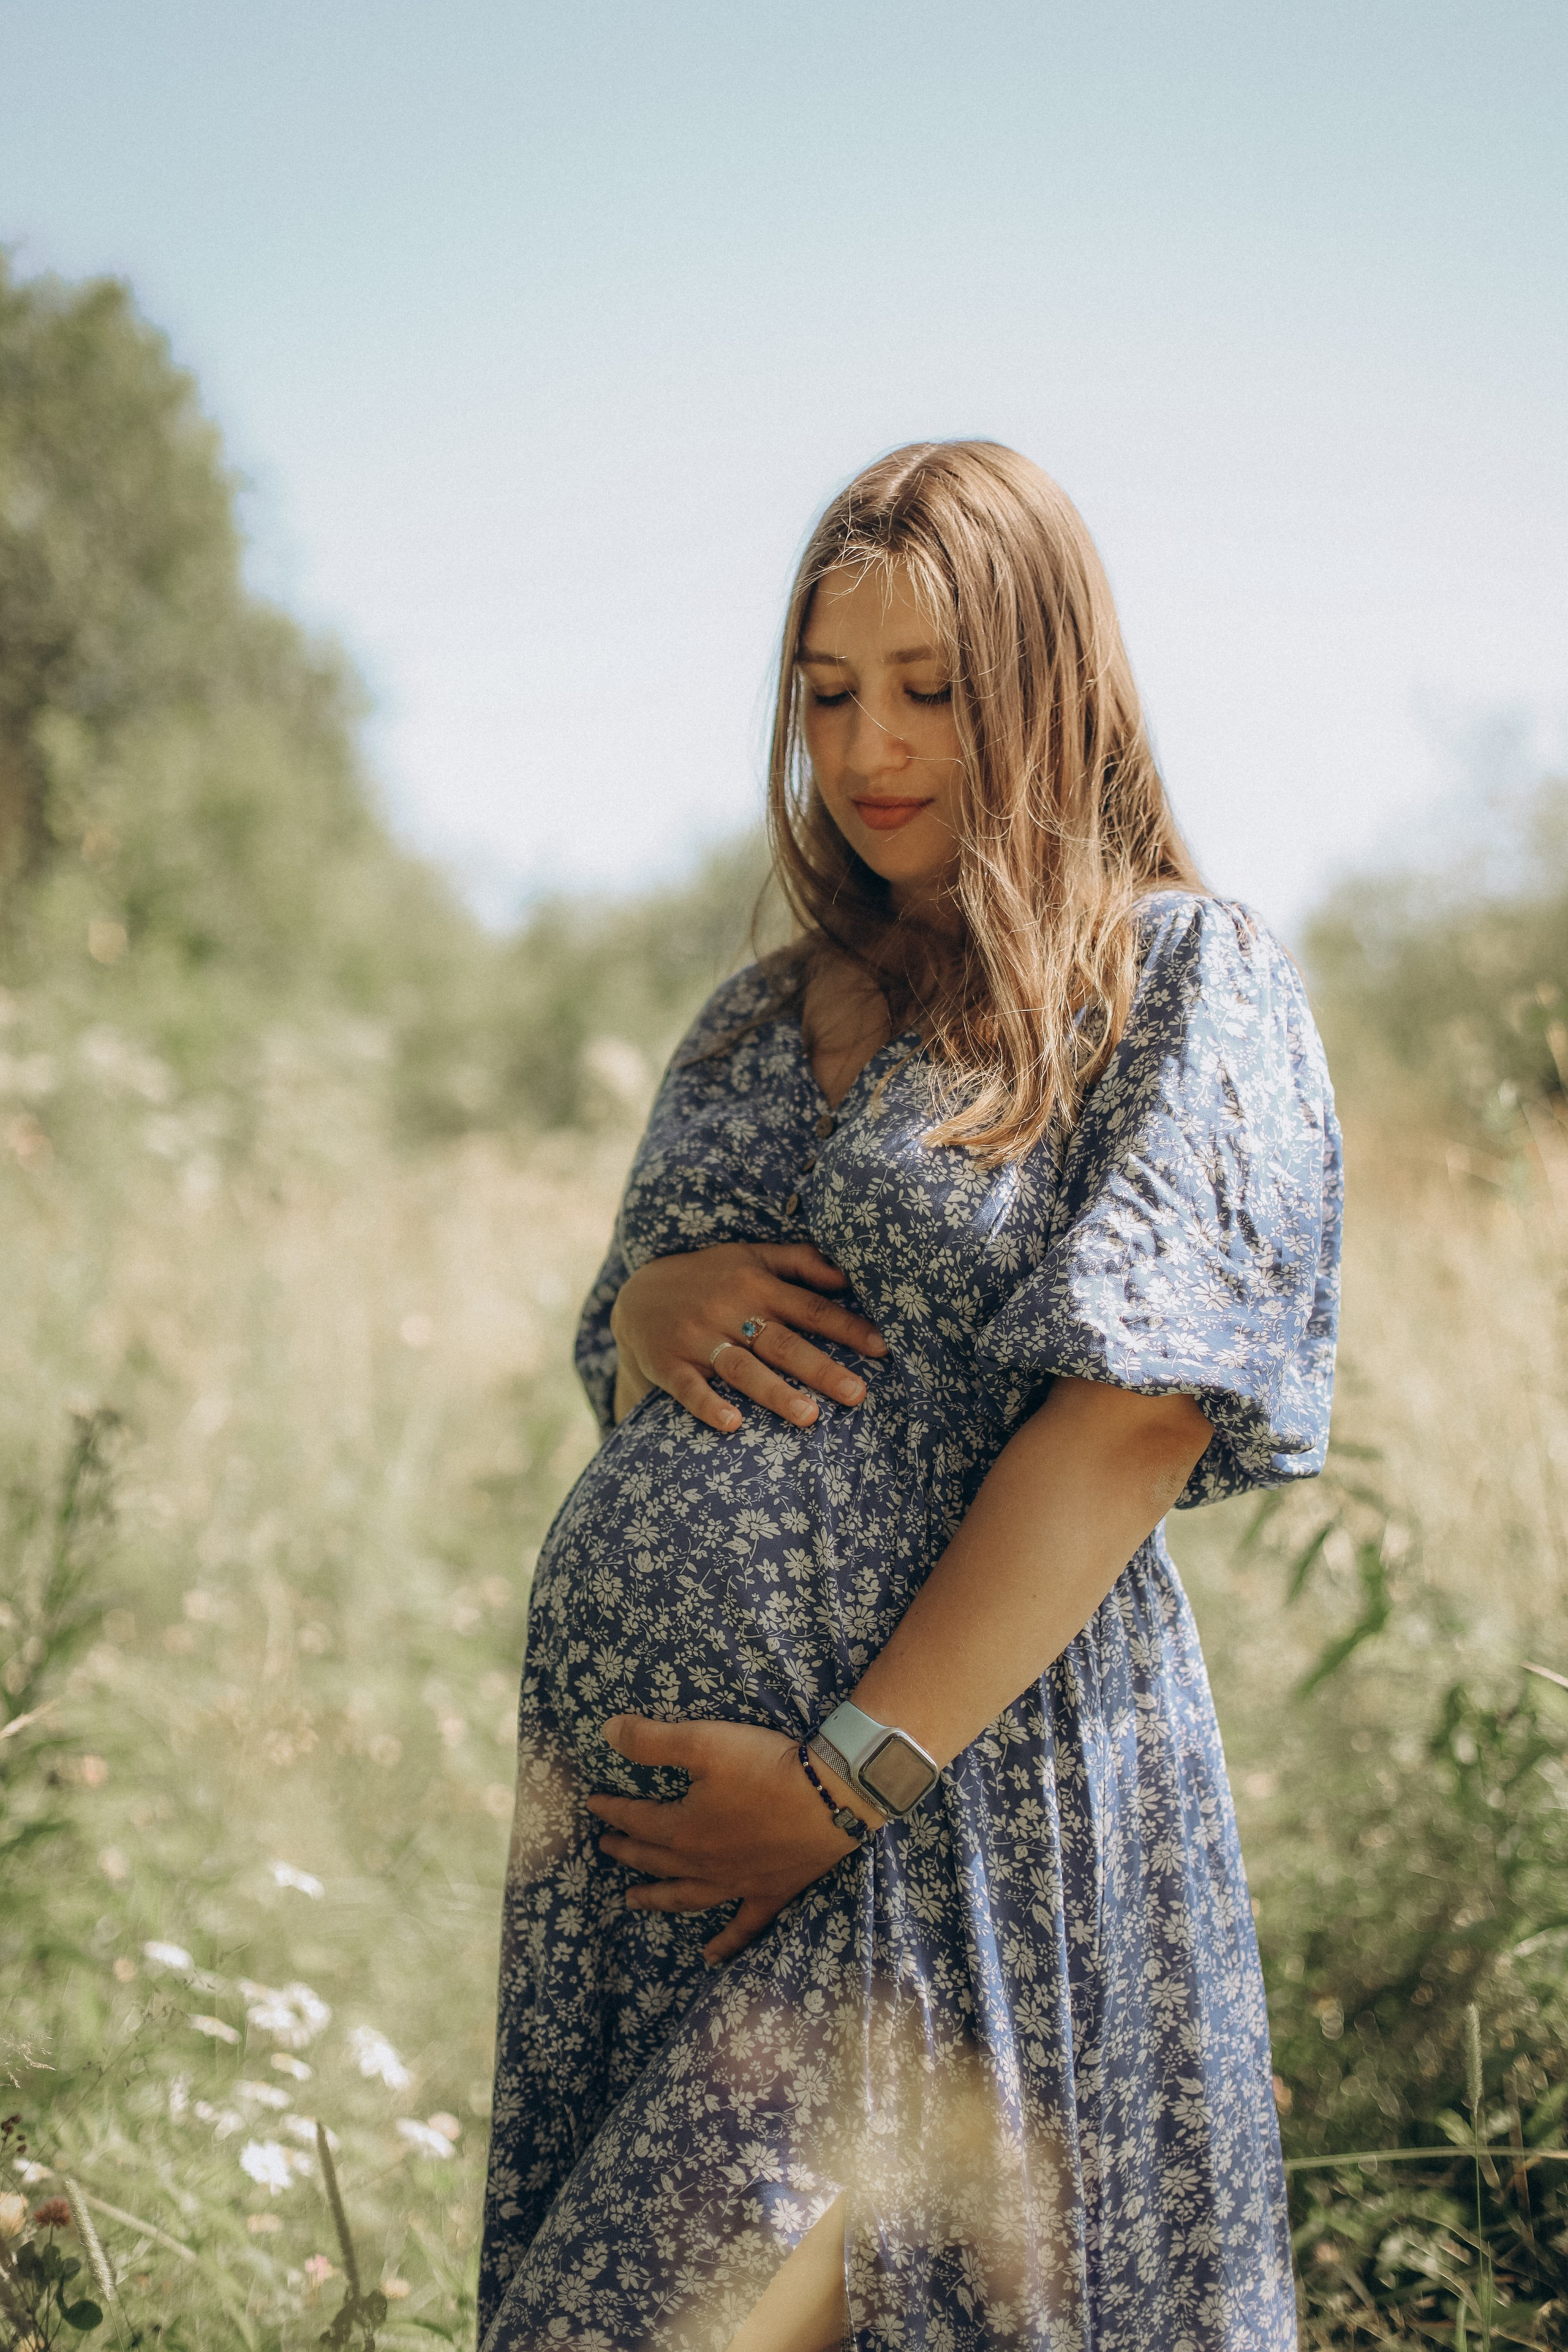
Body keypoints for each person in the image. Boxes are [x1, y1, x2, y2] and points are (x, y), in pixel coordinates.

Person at [478, 440, 1341, 2352]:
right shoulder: (751, 1013)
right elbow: (634, 1369)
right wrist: (649, 1312)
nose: (871, 746)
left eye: (933, 691)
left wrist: (841, 1782)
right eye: (829, 690)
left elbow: (1138, 1417)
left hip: (944, 1821)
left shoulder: (1176, 979)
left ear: (1048, 689)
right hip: (673, 1881)